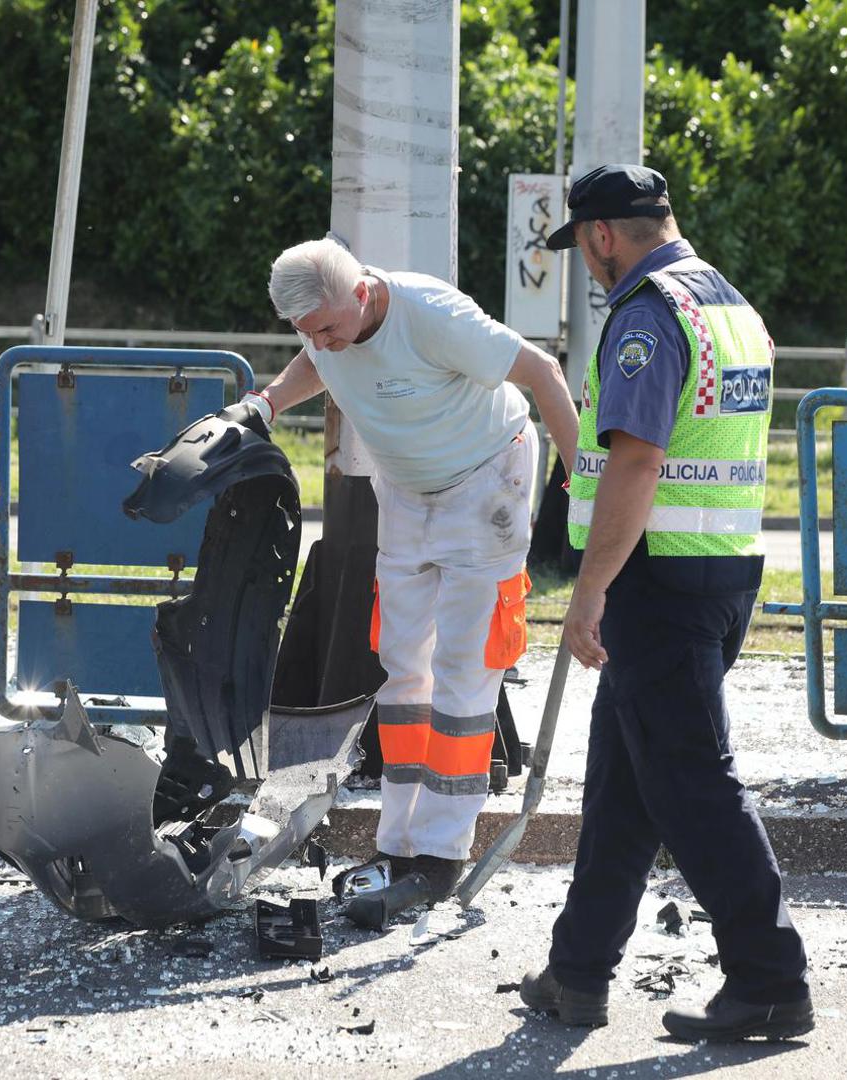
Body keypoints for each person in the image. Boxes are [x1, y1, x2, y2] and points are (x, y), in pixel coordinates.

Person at [517, 164, 812, 1040]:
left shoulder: (647, 315)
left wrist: (591, 591)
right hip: (720, 573)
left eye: (583, 248)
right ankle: (577, 973)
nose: (586, 265)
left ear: (601, 235)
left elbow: (637, 462)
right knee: (624, 779)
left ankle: (770, 980)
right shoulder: (729, 304)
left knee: (691, 784)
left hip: (659, 583)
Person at [241, 237, 578, 914]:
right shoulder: (328, 331)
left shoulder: (430, 314)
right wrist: (267, 405)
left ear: (361, 292)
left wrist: (586, 485)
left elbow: (541, 371)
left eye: (331, 328)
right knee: (400, 665)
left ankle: (442, 854)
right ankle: (399, 843)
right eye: (308, 334)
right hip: (405, 486)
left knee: (463, 666)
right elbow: (315, 363)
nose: (325, 345)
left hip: (486, 484)